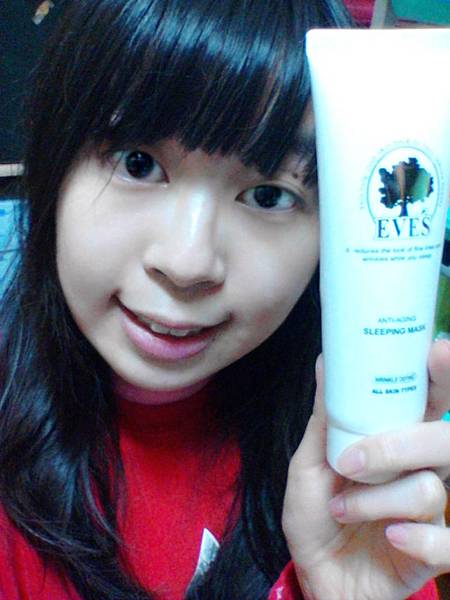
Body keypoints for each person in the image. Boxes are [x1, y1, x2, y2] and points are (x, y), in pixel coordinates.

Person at [0, 1, 449, 599]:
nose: (187, 264)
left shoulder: (355, 493)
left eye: (268, 195)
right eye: (139, 164)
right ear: (55, 168)